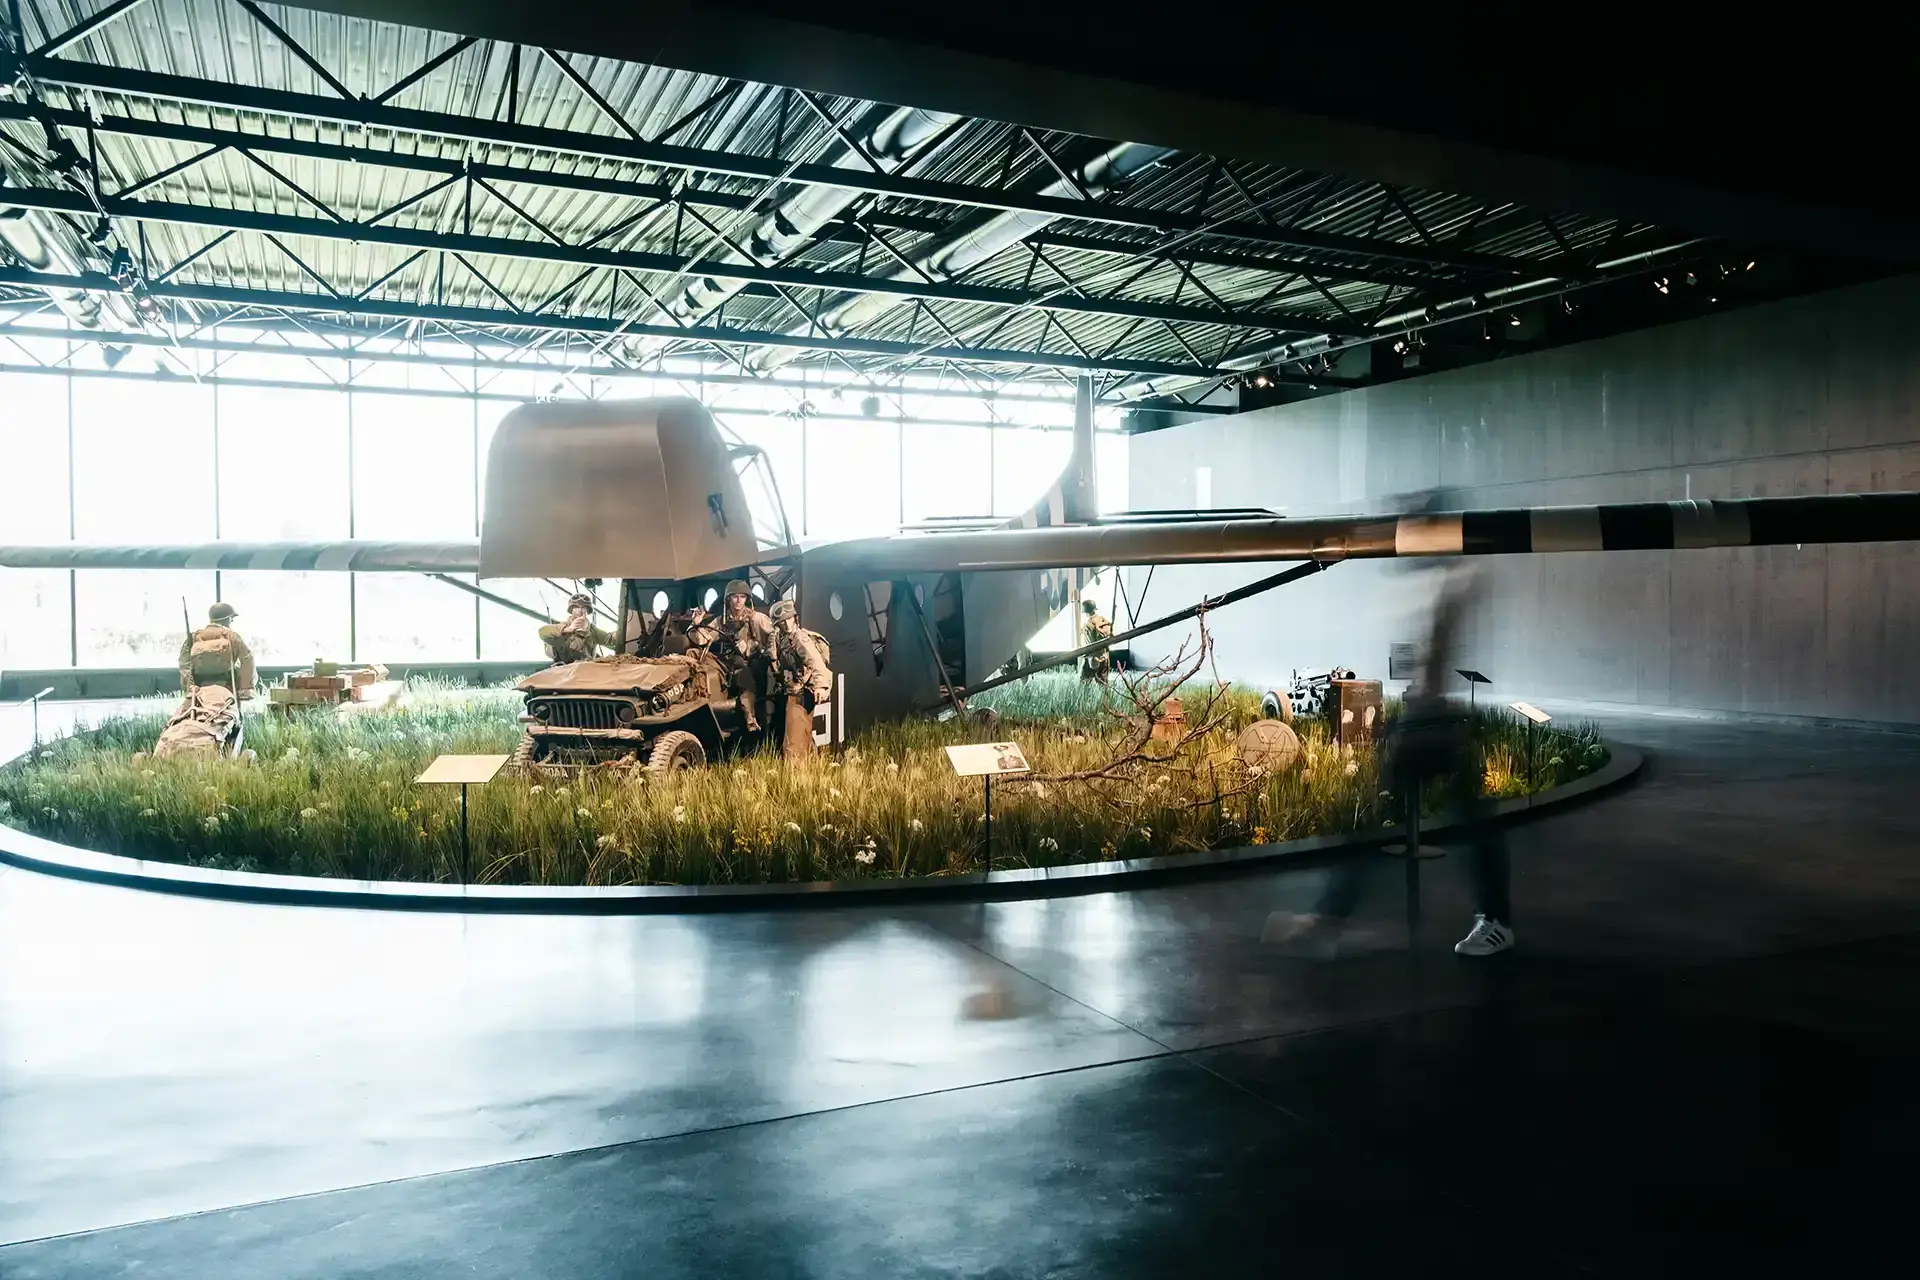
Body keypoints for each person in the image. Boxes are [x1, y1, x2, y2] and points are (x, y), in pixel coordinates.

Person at [1266, 563, 1515, 958]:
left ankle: (1496, 920)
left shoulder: (1447, 579)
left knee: (1465, 816)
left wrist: (1429, 703)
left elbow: (1440, 640)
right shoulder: (1424, 581)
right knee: (1381, 815)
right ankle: (1330, 918)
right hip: (1422, 719)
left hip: (1433, 721)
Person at [770, 598, 832, 759]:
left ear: (795, 618)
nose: (786, 624)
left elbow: (816, 663)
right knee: (803, 735)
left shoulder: (799, 639)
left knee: (794, 744)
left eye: (789, 619)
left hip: (802, 694)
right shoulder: (781, 638)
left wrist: (821, 686)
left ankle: (796, 778)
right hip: (793, 691)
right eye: (782, 622)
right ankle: (812, 770)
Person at [711, 580, 773, 733]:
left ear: (747, 599)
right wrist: (696, 624)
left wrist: (755, 648)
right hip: (728, 663)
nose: (738, 601)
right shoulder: (721, 621)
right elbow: (704, 638)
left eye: (742, 597)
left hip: (752, 664)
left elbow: (773, 635)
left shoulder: (756, 618)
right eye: (734, 597)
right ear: (728, 599)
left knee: (744, 677)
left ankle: (750, 718)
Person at [179, 602, 255, 698]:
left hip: (199, 689)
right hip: (228, 687)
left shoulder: (194, 637)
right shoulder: (232, 637)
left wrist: (189, 687)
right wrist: (246, 688)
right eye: (231, 619)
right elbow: (247, 659)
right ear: (226, 619)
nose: (231, 622)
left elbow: (184, 664)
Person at [539, 593, 617, 665]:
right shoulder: (562, 627)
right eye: (576, 607)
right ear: (571, 610)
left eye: (583, 607)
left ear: (587, 611)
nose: (580, 610)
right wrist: (568, 629)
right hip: (565, 670)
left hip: (587, 669)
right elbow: (542, 632)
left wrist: (625, 630)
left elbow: (609, 639)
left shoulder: (592, 631)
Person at [1080, 598, 1112, 681]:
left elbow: (1089, 641)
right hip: (1104, 657)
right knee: (1104, 685)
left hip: (1091, 657)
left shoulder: (1088, 624)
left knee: (1084, 685)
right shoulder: (1102, 620)